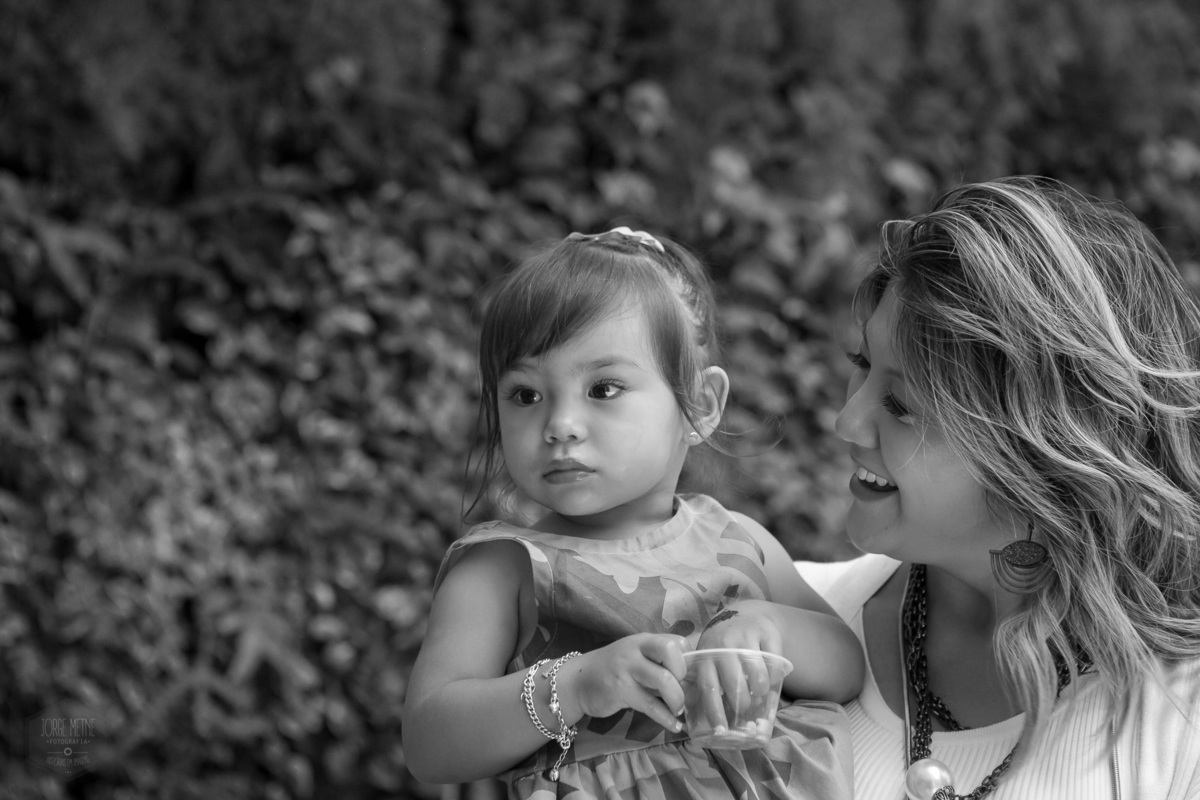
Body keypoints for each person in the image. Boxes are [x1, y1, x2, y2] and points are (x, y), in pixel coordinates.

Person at [402, 227, 864, 800]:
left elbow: (847, 665)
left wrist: (770, 629)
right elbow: (429, 742)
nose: (560, 425)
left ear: (699, 405)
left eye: (603, 388)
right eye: (525, 394)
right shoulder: (505, 569)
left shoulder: (738, 539)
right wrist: (576, 685)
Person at [782, 177, 1200, 799]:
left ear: (1042, 454)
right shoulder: (780, 630)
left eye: (900, 405)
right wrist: (577, 699)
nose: (846, 420)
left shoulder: (1178, 719)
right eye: (861, 366)